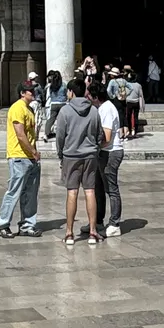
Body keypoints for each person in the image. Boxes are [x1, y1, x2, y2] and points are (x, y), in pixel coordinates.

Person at [54, 75, 103, 246]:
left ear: (71, 92)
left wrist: (61, 154)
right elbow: (99, 134)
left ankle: (69, 233)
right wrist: (95, 149)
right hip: (90, 155)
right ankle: (93, 231)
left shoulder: (65, 111)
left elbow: (60, 136)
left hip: (71, 155)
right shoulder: (94, 110)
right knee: (90, 191)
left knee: (72, 192)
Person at [0, 81, 41, 239]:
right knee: (14, 191)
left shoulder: (29, 109)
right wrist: (33, 151)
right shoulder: (17, 108)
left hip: (31, 157)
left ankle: (27, 225)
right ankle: (2, 223)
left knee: (30, 193)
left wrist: (34, 153)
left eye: (33, 90)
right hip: (19, 156)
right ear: (22, 93)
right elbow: (20, 134)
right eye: (29, 91)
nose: (33, 93)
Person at [93, 78, 124, 236]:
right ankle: (98, 221)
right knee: (98, 187)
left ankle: (114, 223)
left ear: (95, 97)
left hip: (111, 152)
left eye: (89, 96)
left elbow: (106, 136)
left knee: (111, 189)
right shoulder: (102, 108)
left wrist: (93, 146)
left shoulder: (106, 109)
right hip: (103, 152)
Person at [43, 69, 67, 141]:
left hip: (53, 103)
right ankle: (63, 133)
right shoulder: (63, 84)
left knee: (50, 120)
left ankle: (46, 134)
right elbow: (66, 93)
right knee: (62, 120)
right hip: (62, 103)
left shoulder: (51, 86)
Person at [125, 70, 144, 140]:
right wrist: (142, 105)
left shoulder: (127, 84)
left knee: (128, 117)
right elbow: (140, 95)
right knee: (136, 117)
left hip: (129, 102)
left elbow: (125, 93)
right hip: (136, 102)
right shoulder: (138, 85)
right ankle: (135, 132)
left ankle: (130, 131)